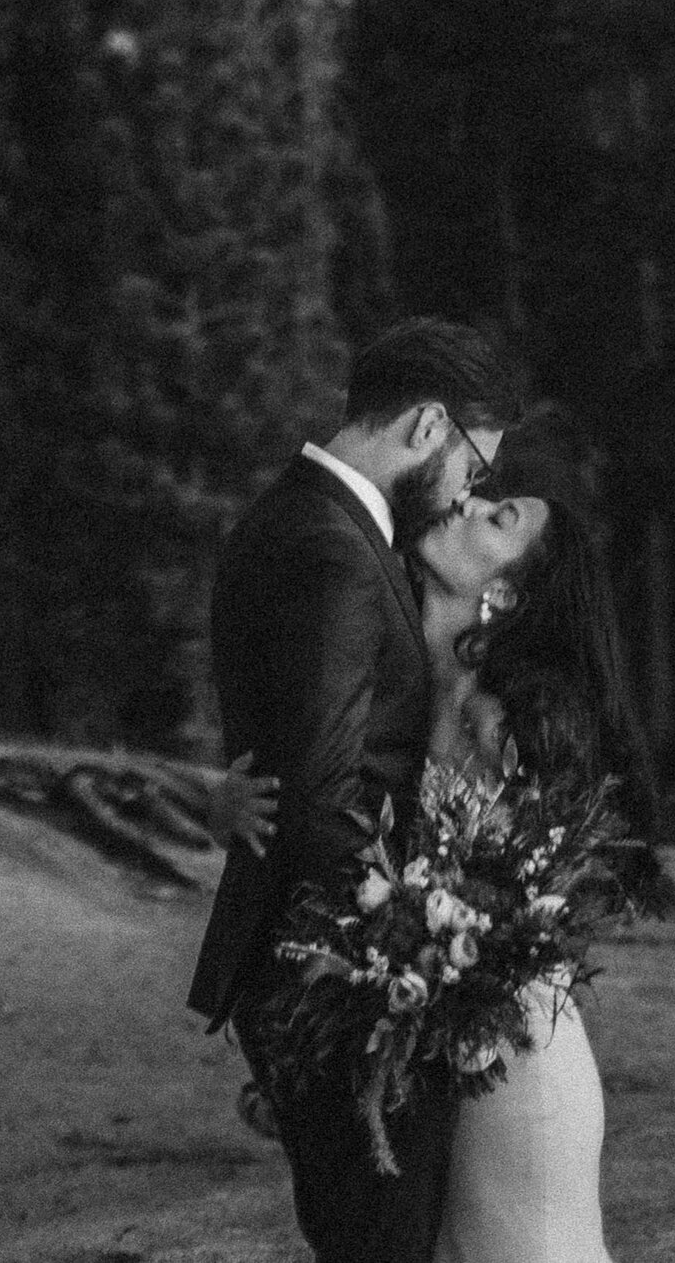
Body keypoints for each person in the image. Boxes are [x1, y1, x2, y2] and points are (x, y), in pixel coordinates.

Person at [216, 404, 662, 1263]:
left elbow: (510, 896)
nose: (463, 504)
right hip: (447, 1047)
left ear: (505, 593)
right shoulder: (408, 677)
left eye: (498, 517)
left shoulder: (513, 721)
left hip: (511, 1056)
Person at [189, 318, 520, 1263]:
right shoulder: (329, 547)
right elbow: (324, 789)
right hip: (338, 971)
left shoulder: (305, 523)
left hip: (326, 955)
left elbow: (299, 755)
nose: (467, 489)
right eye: (475, 463)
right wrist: (412, 962)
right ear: (428, 425)